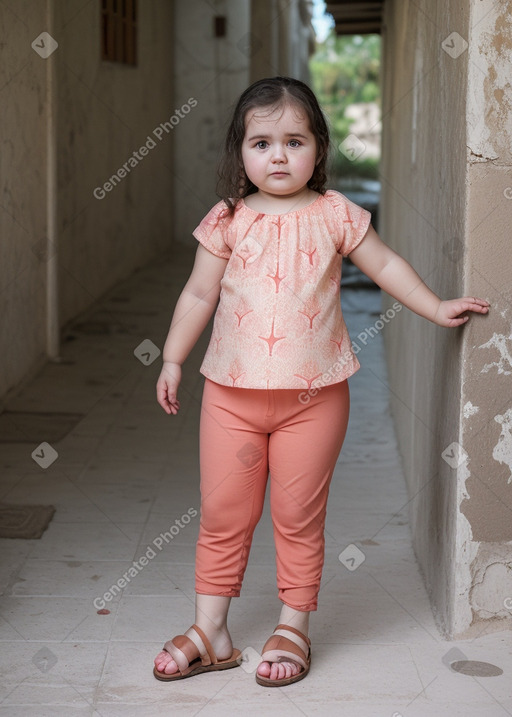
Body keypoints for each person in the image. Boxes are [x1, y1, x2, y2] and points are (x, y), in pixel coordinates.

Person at [153, 76, 490, 687]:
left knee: (297, 515)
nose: (278, 155)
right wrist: (173, 357)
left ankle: (293, 624)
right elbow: (199, 292)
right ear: (240, 152)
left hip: (316, 399)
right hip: (230, 397)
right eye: (261, 143)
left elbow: (384, 264)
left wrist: (435, 306)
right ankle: (212, 630)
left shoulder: (336, 214)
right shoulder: (227, 219)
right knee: (223, 512)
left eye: (294, 140)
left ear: (319, 148)